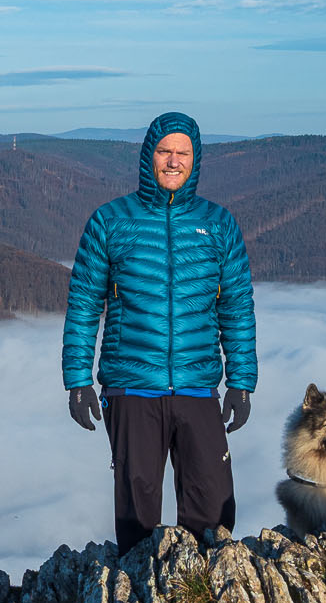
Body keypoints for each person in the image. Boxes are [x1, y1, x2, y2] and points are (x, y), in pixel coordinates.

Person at [63, 111, 257, 550]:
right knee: (137, 513)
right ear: (148, 156)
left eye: (182, 153)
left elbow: (237, 308)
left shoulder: (219, 224)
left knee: (214, 511)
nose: (173, 161)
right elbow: (83, 305)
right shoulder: (110, 222)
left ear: (196, 159)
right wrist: (77, 380)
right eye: (165, 151)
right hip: (131, 388)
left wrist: (241, 383)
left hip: (197, 385)